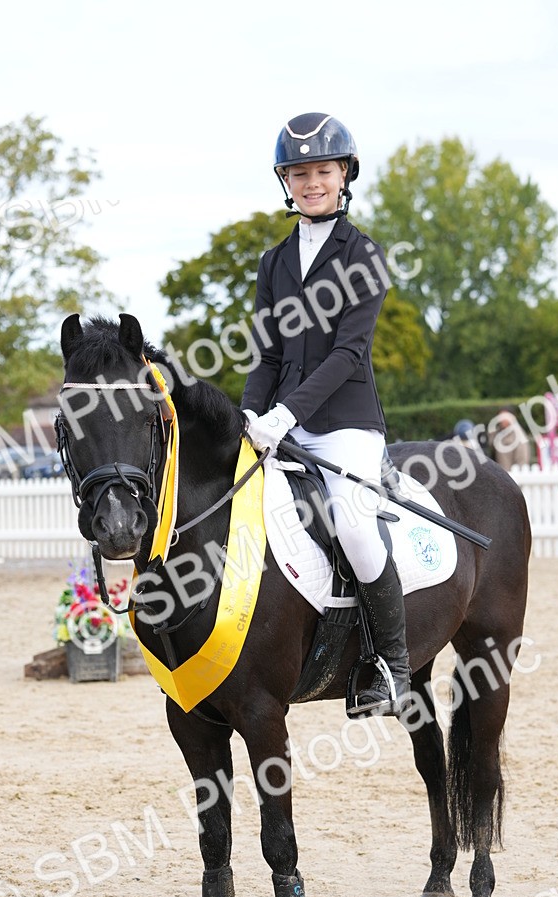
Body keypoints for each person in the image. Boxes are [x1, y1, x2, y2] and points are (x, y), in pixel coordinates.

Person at [241, 112, 409, 718]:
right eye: (300, 172)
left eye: (323, 170)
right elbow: (268, 353)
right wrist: (248, 416)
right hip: (278, 420)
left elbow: (348, 354)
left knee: (355, 526)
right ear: (286, 180)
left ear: (344, 174)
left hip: (345, 425)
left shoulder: (363, 253)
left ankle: (393, 667)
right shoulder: (273, 261)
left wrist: (285, 416)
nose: (312, 181)